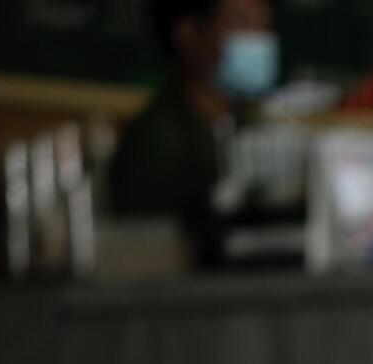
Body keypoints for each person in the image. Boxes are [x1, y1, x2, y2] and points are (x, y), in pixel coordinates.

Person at [109, 0, 277, 219]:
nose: (259, 38)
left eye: (264, 23)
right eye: (241, 22)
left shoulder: (247, 125)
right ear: (188, 35)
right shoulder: (155, 141)